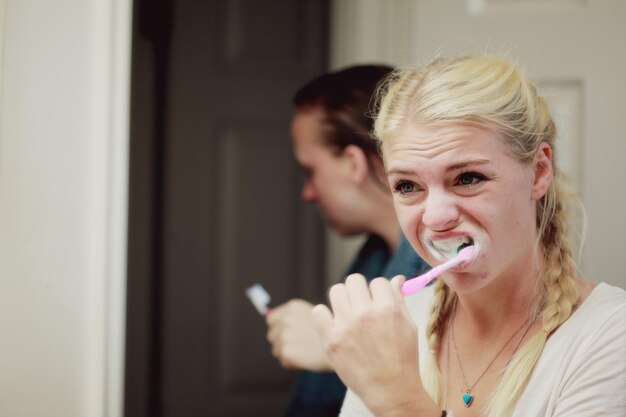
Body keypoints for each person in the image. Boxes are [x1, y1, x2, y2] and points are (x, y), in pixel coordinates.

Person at [311, 55, 626, 417]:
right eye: (408, 185)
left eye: (468, 178)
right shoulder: (395, 327)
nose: (436, 216)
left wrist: (398, 399)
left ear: (539, 172)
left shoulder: (611, 335)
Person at [265, 65, 430, 417]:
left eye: (310, 171)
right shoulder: (371, 260)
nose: (307, 193)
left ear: (353, 163)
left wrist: (338, 349)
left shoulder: (443, 267)